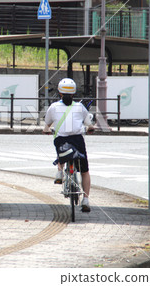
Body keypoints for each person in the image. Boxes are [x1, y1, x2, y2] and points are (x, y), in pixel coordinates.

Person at [43, 78, 95, 212]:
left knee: (60, 148)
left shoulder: (53, 107)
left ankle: (60, 172)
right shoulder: (80, 107)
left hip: (62, 141)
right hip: (77, 140)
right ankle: (86, 199)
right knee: (84, 171)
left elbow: (47, 125)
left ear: (60, 93)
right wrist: (90, 128)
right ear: (73, 93)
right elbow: (89, 124)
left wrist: (46, 130)